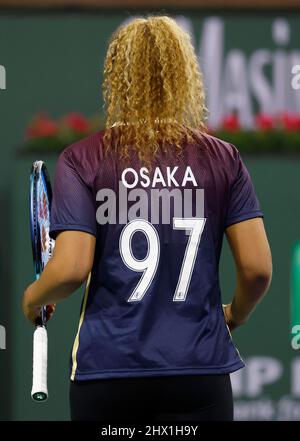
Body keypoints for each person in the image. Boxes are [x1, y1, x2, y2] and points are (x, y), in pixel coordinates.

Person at [23, 15, 272, 422]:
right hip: (200, 374)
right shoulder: (223, 159)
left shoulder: (82, 158)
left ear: (118, 78)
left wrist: (32, 298)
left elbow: (68, 270)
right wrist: (234, 315)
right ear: (183, 74)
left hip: (108, 376)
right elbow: (258, 270)